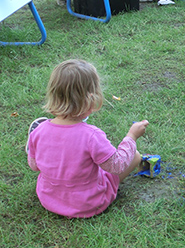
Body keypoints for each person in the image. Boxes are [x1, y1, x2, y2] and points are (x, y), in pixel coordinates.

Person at [26, 59, 149, 218]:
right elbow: (117, 165)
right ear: (91, 98)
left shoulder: (40, 131)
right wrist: (131, 136)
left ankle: (32, 148)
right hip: (90, 204)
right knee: (135, 156)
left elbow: (34, 166)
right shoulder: (92, 135)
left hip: (49, 199)